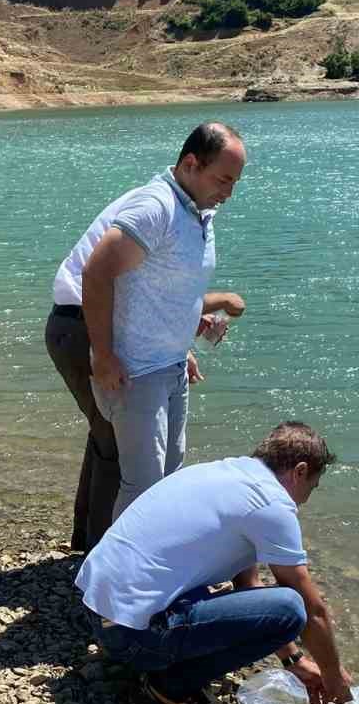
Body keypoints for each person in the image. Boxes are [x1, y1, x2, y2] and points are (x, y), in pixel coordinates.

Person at [74, 421, 354, 704]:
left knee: (259, 604)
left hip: (97, 609)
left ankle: (152, 657)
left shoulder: (224, 475)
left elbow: (248, 586)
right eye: (311, 488)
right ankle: (168, 687)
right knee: (291, 608)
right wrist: (333, 675)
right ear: (300, 471)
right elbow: (311, 609)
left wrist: (295, 661)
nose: (305, 500)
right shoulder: (272, 503)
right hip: (131, 637)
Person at [45, 123, 247, 548]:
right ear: (191, 164)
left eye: (235, 182)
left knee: (132, 458)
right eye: (223, 180)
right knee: (126, 462)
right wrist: (102, 354)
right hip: (81, 323)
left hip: (139, 344)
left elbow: (156, 287)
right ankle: (106, 575)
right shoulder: (156, 206)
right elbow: (97, 274)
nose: (229, 192)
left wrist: (182, 338)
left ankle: (96, 554)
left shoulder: (194, 210)